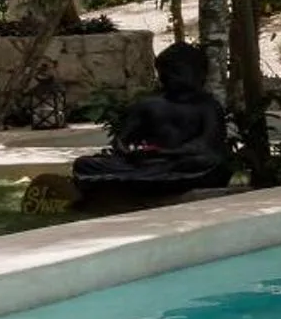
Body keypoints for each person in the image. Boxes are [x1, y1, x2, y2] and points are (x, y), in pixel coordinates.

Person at [71, 42, 233, 205]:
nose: (170, 77)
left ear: (199, 73)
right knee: (85, 164)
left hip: (183, 163)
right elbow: (121, 142)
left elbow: (206, 145)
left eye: (177, 71)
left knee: (212, 162)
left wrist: (166, 152)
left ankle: (131, 181)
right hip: (149, 163)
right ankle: (141, 179)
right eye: (165, 72)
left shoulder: (207, 106)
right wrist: (132, 152)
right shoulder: (148, 105)